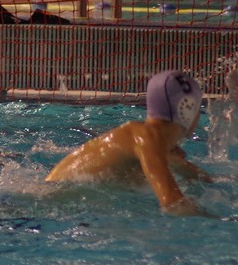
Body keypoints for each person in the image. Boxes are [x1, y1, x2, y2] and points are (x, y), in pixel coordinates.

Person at [46, 70, 212, 216]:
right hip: (49, 203)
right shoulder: (146, 138)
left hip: (64, 203)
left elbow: (199, 177)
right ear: (188, 109)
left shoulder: (154, 145)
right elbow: (173, 205)